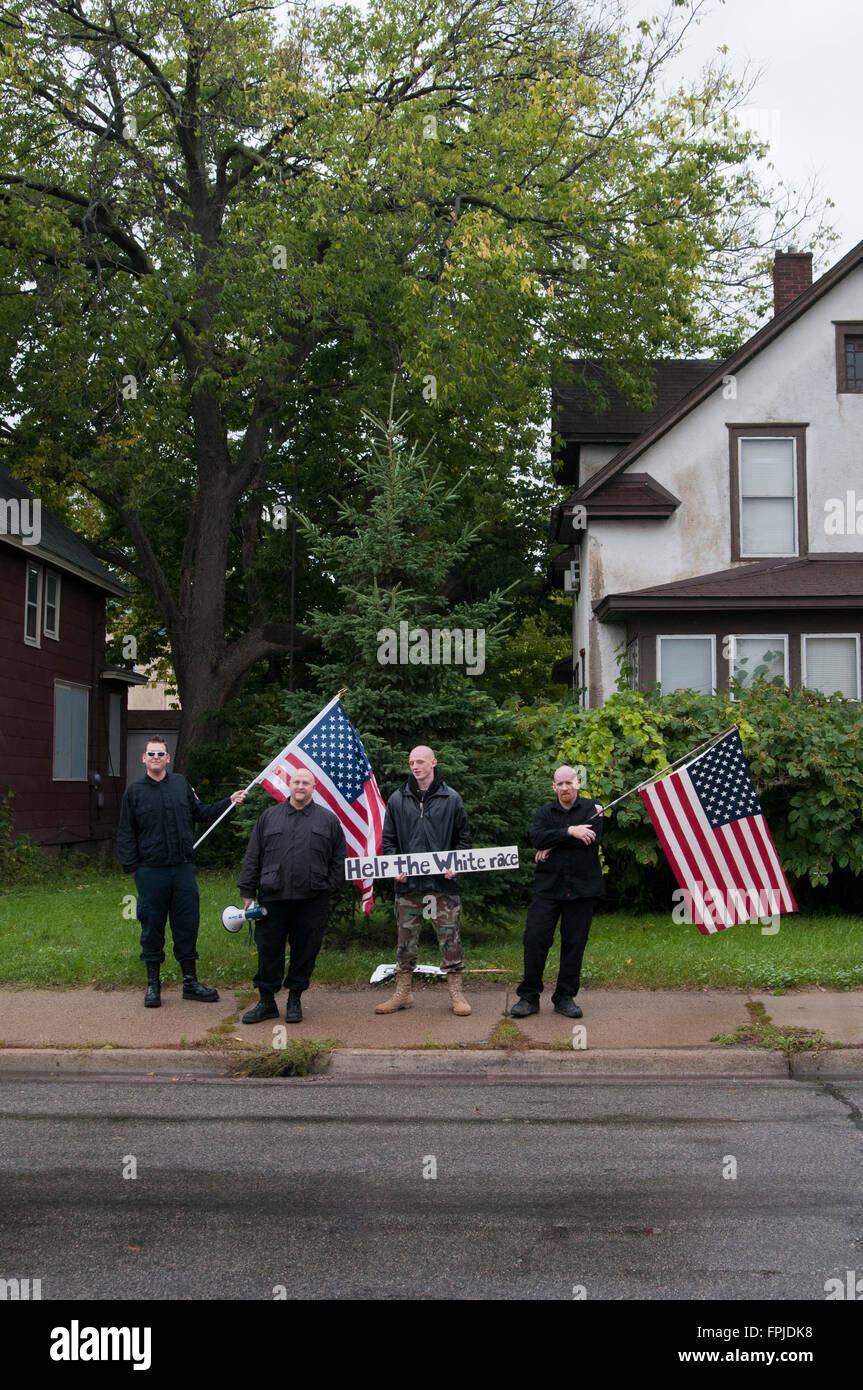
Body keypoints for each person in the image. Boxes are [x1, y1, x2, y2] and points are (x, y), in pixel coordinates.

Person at [117, 735, 247, 1008]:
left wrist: (229, 802)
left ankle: (190, 982)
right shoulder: (134, 792)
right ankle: (153, 985)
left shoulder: (180, 785)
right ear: (144, 758)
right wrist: (134, 870)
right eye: (150, 753)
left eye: (160, 754)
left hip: (183, 869)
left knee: (187, 925)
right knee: (152, 927)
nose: (155, 758)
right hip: (151, 871)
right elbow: (126, 833)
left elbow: (201, 812)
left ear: (167, 758)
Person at [237, 768, 346, 1024]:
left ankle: (295, 998)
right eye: (296, 781)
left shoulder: (328, 820)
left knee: (305, 950)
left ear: (313, 787)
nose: (300, 786)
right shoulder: (270, 817)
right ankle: (266, 1002)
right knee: (268, 950)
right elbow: (254, 855)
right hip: (273, 897)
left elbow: (339, 860)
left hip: (312, 899)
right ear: (289, 785)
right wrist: (247, 891)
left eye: (305, 783)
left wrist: (327, 888)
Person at [375, 745, 473, 1017]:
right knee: (405, 941)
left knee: (450, 939)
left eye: (420, 762)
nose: (415, 766)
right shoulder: (397, 799)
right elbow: (389, 841)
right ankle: (403, 993)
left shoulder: (451, 798)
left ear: (433, 763)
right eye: (411, 762)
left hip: (443, 887)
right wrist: (395, 866)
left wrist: (457, 865)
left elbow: (464, 840)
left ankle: (456, 993)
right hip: (408, 887)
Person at [510, 766, 605, 1019]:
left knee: (574, 944)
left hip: (582, 890)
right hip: (548, 889)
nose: (564, 787)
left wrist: (552, 844)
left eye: (569, 782)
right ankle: (529, 997)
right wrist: (570, 832)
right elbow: (536, 838)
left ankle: (564, 997)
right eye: (559, 784)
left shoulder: (593, 808)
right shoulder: (544, 812)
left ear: (578, 783)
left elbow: (593, 837)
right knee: (534, 940)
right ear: (554, 787)